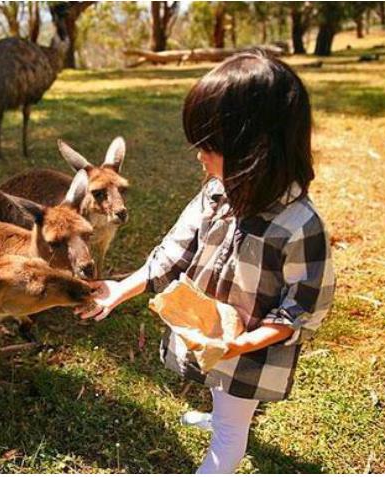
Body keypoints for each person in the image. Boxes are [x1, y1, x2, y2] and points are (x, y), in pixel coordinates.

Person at [77, 50, 336, 474]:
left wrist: (238, 344)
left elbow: (300, 311)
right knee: (220, 391)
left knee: (230, 433)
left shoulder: (299, 227)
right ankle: (222, 414)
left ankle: (227, 429)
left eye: (209, 146)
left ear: (256, 147)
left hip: (250, 349)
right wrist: (122, 288)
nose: (199, 157)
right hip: (212, 333)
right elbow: (174, 251)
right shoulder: (216, 192)